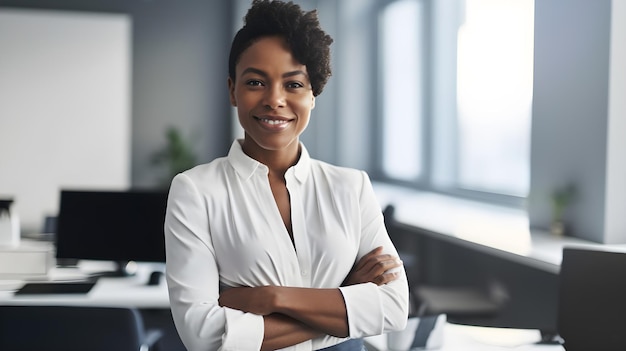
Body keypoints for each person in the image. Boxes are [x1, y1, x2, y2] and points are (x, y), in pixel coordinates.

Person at [164, 1, 409, 350]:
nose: (274, 99)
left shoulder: (351, 187)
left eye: (293, 85)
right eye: (255, 82)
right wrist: (345, 301)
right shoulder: (195, 191)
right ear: (233, 90)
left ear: (314, 95)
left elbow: (394, 308)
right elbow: (204, 335)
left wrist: (273, 298)